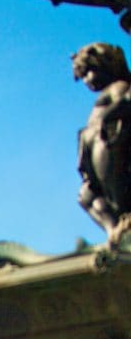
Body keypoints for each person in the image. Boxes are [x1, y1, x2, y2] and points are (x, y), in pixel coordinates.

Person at [72, 42, 131, 242]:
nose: (87, 81)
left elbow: (127, 101)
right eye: (83, 76)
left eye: (89, 72)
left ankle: (125, 221)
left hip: (108, 143)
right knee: (86, 196)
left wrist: (107, 116)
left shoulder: (118, 86)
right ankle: (114, 231)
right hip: (93, 147)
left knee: (113, 186)